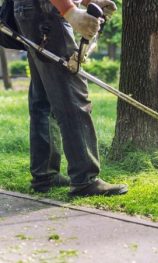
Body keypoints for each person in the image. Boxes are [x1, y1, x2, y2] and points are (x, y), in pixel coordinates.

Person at [13, 0, 128, 196]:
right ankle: (85, 179)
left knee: (44, 97)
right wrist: (70, 10)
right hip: (45, 11)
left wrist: (87, 2)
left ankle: (45, 176)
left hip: (31, 9)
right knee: (71, 94)